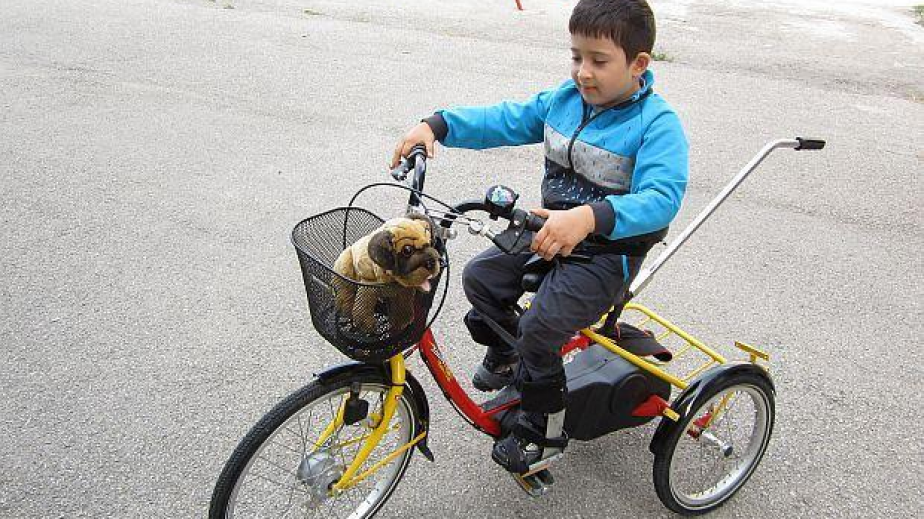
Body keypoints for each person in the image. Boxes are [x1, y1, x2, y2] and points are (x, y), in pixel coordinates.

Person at [390, 0, 688, 475]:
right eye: (576, 56)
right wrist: (438, 125)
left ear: (638, 64)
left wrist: (589, 218)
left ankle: (545, 428)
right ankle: (511, 354)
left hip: (605, 255)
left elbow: (662, 198)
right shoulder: (564, 102)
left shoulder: (656, 124)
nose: (583, 72)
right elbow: (504, 119)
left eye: (599, 61)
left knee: (540, 328)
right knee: (480, 279)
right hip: (547, 231)